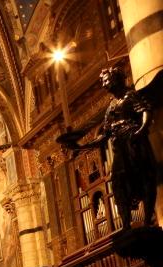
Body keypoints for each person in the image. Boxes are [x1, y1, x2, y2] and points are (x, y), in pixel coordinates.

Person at [61, 66, 157, 231]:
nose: (105, 84)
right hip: (119, 146)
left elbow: (145, 111)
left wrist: (140, 132)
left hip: (133, 141)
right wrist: (81, 147)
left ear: (116, 79)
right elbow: (104, 136)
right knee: (117, 182)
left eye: (107, 80)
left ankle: (147, 219)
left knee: (144, 176)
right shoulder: (111, 107)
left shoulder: (131, 95)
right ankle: (125, 224)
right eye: (103, 82)